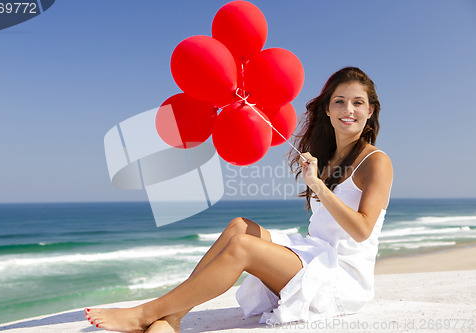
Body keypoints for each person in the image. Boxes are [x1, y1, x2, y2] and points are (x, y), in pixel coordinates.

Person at [84, 66, 393, 332]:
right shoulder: (330, 157)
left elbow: (362, 230)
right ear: (327, 109)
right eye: (339, 101)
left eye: (357, 103)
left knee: (243, 247)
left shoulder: (376, 162)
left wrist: (318, 186)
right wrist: (318, 178)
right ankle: (174, 316)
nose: (347, 110)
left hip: (341, 276)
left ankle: (145, 314)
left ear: (370, 111)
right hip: (315, 252)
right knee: (239, 227)